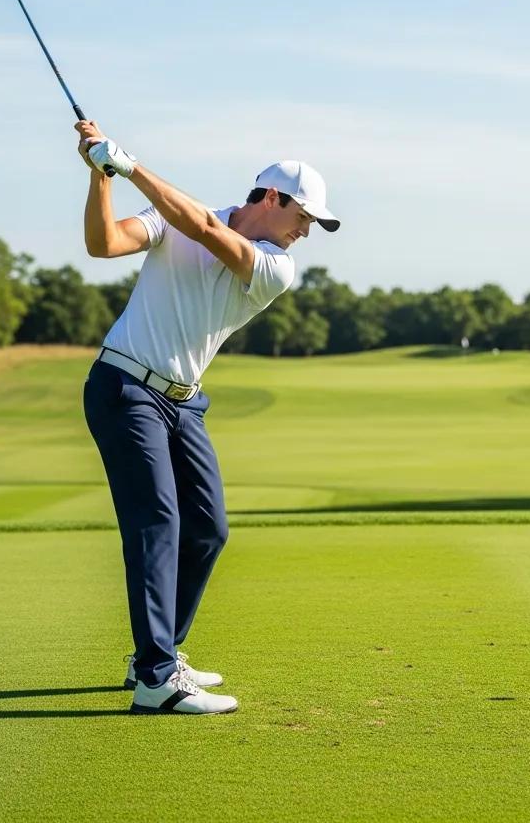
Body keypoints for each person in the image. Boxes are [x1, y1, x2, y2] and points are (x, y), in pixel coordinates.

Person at [75, 120, 339, 715]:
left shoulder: (275, 264)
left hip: (183, 400)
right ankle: (157, 677)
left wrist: (129, 164)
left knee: (207, 528)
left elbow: (202, 227)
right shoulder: (179, 214)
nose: (306, 232)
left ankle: (161, 653)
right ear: (272, 198)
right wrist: (103, 177)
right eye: (304, 218)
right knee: (157, 520)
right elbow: (104, 245)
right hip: (125, 386)